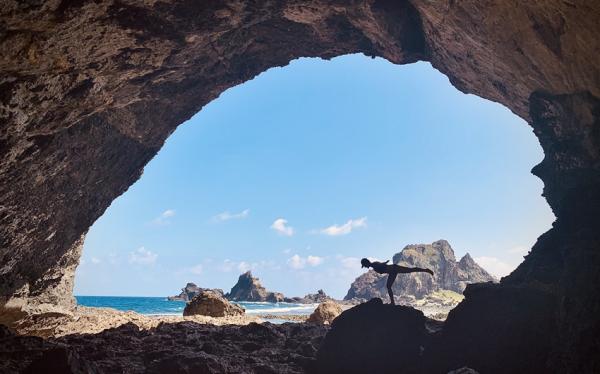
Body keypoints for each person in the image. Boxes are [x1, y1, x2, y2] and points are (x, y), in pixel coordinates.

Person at [361, 258, 434, 305]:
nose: (364, 266)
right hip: (392, 272)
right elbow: (381, 265)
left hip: (394, 268)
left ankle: (426, 270)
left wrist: (385, 263)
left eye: (364, 265)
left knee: (410, 270)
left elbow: (381, 264)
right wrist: (384, 264)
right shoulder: (374, 266)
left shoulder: (374, 264)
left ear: (366, 263)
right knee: (388, 286)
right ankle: (392, 302)